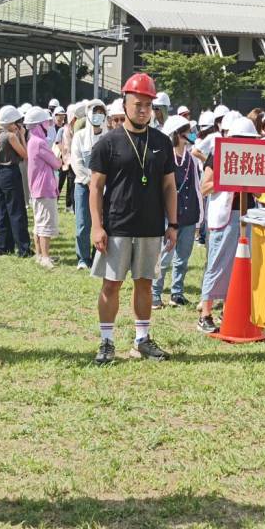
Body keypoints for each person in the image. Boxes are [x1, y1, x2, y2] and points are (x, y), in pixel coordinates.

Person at [89, 73, 177, 364]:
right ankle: (106, 341)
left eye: (148, 105)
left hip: (151, 227)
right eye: (138, 104)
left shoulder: (162, 142)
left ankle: (141, 340)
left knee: (145, 283)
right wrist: (97, 226)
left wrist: (173, 224)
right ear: (125, 104)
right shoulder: (108, 143)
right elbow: (95, 187)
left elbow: (169, 186)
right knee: (111, 284)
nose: (143, 110)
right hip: (116, 226)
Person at [198, 116, 260, 333]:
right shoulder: (217, 155)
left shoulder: (254, 158)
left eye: (248, 139)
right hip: (224, 217)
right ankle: (205, 313)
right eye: (240, 138)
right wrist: (228, 178)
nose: (244, 143)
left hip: (248, 216)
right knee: (218, 264)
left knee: (241, 266)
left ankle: (231, 310)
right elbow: (205, 187)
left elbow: (261, 191)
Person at [152, 115, 201, 309]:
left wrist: (200, 219)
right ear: (176, 134)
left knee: (183, 257)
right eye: (185, 132)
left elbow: (196, 187)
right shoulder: (163, 157)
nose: (189, 135)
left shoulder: (191, 159)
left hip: (189, 215)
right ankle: (156, 292)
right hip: (168, 216)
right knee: (164, 256)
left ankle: (177, 293)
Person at [71, 99, 107, 269]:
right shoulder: (79, 136)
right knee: (82, 223)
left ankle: (98, 255)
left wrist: (100, 183)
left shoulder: (108, 137)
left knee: (100, 221)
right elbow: (76, 162)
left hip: (104, 187)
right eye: (95, 112)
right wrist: (88, 181)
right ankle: (83, 258)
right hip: (83, 186)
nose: (98, 116)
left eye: (101, 112)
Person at [25, 105, 61, 268]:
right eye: (45, 123)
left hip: (36, 188)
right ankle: (45, 257)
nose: (47, 126)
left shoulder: (31, 140)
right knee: (45, 223)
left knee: (38, 224)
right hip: (44, 187)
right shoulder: (40, 142)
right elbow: (55, 163)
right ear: (38, 125)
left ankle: (40, 255)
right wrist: (60, 160)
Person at [0, 105, 31, 257]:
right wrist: (21, 135)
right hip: (11, 172)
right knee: (17, 211)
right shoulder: (10, 136)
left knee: (2, 211)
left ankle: (3, 246)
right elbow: (24, 154)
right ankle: (23, 248)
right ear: (11, 122)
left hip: (0, 173)